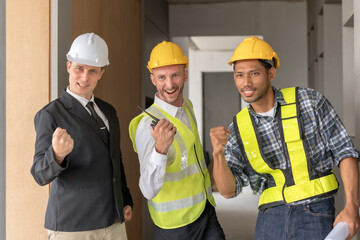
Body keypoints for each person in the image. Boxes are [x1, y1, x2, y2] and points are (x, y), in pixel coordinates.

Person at [210, 36, 360, 240]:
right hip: (270, 217)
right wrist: (218, 154)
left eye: (254, 73)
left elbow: (345, 151)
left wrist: (352, 205)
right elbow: (228, 191)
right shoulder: (238, 128)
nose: (246, 83)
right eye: (239, 75)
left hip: (315, 210)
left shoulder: (309, 101)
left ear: (271, 73)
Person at [31, 32, 133, 240]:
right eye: (79, 68)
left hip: (112, 222)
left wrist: (125, 199)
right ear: (69, 66)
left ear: (101, 73)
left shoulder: (109, 112)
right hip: (73, 226)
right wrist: (57, 155)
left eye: (93, 71)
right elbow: (39, 174)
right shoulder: (50, 114)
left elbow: (115, 159)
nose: (85, 77)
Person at [129, 41, 225, 240]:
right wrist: (160, 150)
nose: (170, 84)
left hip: (205, 211)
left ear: (186, 75)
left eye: (175, 75)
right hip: (175, 228)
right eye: (162, 77)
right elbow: (147, 189)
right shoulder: (147, 125)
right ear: (153, 80)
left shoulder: (187, 107)